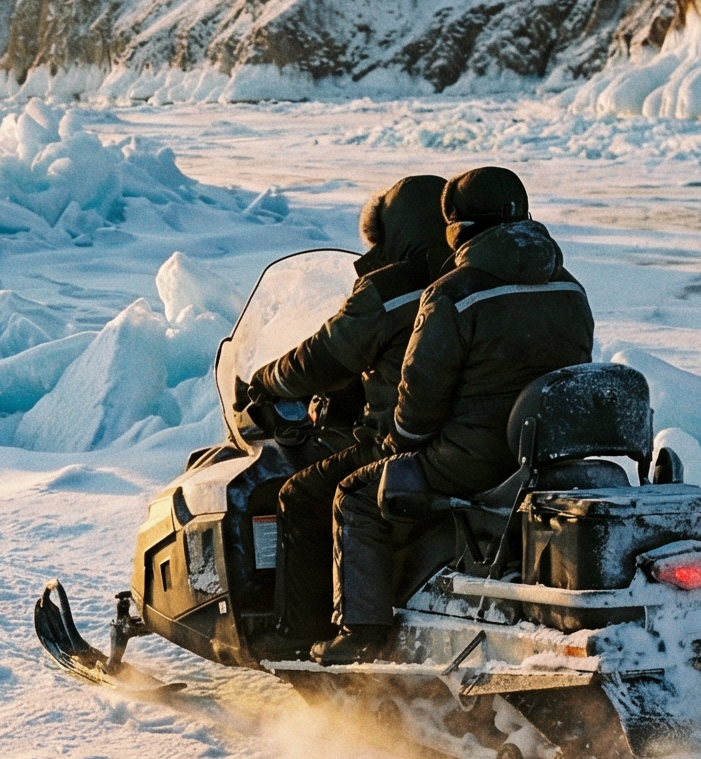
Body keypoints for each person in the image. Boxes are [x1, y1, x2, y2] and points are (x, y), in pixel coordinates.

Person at [313, 166, 596, 665]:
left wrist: (397, 441)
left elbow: (417, 409)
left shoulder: (453, 293)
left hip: (471, 462)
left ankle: (361, 633)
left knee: (354, 496)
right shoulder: (571, 288)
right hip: (546, 457)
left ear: (458, 229)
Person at [240, 174, 450, 659]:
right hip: (466, 439)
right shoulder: (469, 280)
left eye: (378, 238)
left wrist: (266, 380)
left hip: (398, 439)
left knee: (302, 493)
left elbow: (323, 357)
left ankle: (300, 633)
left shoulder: (390, 290)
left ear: (396, 233)